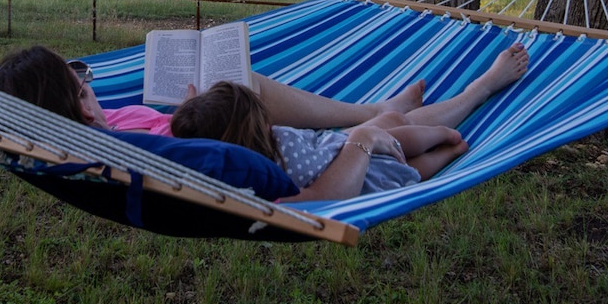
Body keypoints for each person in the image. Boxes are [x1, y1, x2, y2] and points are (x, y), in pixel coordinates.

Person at [0, 41, 528, 142]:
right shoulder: (116, 146)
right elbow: (193, 147)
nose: (90, 82)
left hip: (252, 127)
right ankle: (483, 86)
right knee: (390, 131)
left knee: (241, 82)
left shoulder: (118, 121)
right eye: (80, 78)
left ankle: (377, 112)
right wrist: (203, 108)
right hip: (268, 144)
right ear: (73, 100)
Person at [169, 81, 470, 201]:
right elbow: (325, 163)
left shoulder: (245, 162)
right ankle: (448, 138)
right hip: (358, 167)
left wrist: (192, 110)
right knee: (406, 155)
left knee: (408, 155)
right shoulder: (280, 161)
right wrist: (360, 137)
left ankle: (442, 142)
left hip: (340, 149)